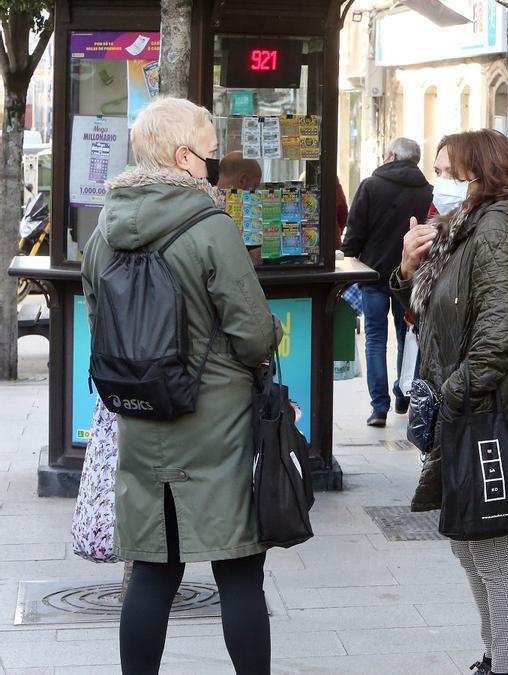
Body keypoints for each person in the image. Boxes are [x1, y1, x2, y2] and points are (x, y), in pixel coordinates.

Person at [81, 97, 280, 674]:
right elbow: (253, 331)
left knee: (152, 570)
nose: (215, 166)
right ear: (182, 154)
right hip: (217, 422)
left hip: (142, 418)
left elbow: (100, 322)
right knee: (239, 569)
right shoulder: (210, 225)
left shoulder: (104, 231)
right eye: (211, 154)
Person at [392, 129, 508, 675]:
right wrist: (408, 269)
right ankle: (495, 656)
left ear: (479, 175)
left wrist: (451, 400)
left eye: (447, 171)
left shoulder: (497, 232)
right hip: (465, 407)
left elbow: (498, 336)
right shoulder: (464, 228)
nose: (439, 182)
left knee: (490, 548)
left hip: (485, 411)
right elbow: (435, 314)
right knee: (467, 542)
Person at [342, 138, 433, 427]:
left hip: (374, 274)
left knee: (375, 339)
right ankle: (403, 393)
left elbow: (355, 230)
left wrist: (348, 260)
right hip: (410, 277)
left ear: (391, 156)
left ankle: (378, 407)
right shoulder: (429, 191)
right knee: (409, 336)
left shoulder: (371, 185)